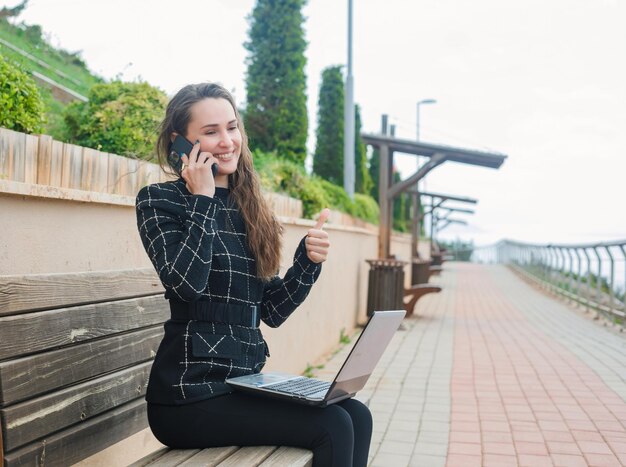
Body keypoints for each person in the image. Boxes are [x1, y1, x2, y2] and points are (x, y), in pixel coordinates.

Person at [135, 82, 372, 467]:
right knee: (333, 426)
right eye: (210, 132)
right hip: (187, 395)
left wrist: (307, 264)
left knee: (356, 414)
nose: (227, 141)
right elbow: (185, 283)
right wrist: (202, 200)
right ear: (181, 143)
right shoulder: (159, 201)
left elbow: (271, 311)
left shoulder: (251, 209)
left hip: (242, 384)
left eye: (232, 127)